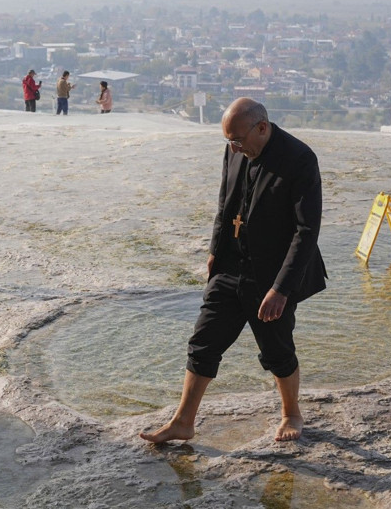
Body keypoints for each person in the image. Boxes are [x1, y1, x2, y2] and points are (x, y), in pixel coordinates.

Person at [140, 97, 327, 444]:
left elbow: (306, 231)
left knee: (276, 350)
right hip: (230, 264)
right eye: (229, 141)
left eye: (238, 140)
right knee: (203, 342)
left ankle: (291, 413)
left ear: (262, 128)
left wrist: (281, 289)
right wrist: (215, 251)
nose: (234, 148)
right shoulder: (235, 148)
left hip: (272, 275)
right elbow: (225, 202)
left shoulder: (299, 158)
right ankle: (183, 422)